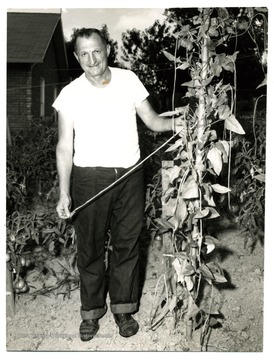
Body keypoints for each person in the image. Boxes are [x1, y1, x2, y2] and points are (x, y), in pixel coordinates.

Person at [53, 28, 184, 342]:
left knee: (126, 244)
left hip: (129, 176)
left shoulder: (128, 81)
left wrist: (182, 121)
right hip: (88, 178)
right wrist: (64, 191)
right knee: (91, 248)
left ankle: (124, 309)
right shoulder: (70, 93)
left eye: (96, 51)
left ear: (107, 49)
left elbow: (153, 122)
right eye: (83, 53)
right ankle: (91, 313)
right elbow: (63, 147)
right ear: (76, 57)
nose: (91, 59)